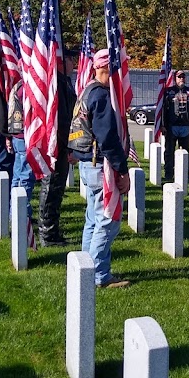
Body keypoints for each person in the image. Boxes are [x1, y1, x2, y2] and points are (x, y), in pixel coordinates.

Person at [68, 49, 132, 289]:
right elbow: (107, 136)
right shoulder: (101, 95)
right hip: (100, 164)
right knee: (107, 221)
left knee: (93, 220)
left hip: (87, 162)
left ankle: (84, 268)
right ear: (107, 69)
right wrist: (122, 170)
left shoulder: (86, 90)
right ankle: (98, 276)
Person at [38, 49, 78, 247]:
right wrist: (68, 146)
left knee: (57, 189)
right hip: (57, 145)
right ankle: (47, 234)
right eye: (71, 59)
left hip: (63, 144)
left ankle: (52, 230)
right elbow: (60, 120)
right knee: (51, 187)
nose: (74, 63)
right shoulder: (57, 83)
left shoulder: (65, 82)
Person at [161, 69, 189, 182]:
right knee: (169, 151)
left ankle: (185, 173)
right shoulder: (168, 92)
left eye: (183, 77)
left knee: (185, 151)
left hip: (186, 126)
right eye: (179, 77)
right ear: (175, 79)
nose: (181, 79)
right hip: (171, 126)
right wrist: (162, 125)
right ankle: (168, 173)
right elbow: (163, 109)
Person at [5, 77, 34, 224]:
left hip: (17, 134)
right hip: (24, 135)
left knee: (18, 175)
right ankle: (20, 215)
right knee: (25, 176)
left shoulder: (18, 85)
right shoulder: (25, 87)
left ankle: (17, 212)